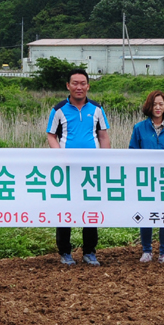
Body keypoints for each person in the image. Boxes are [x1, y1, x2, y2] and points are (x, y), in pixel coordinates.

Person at [46, 68, 110, 266]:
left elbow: (103, 136)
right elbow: (51, 135)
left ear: (88, 86)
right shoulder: (58, 110)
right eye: (75, 83)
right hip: (67, 169)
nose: (79, 87)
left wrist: (105, 160)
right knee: (65, 208)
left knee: (90, 208)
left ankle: (89, 251)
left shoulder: (97, 109)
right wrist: (60, 155)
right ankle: (65, 252)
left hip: (91, 169)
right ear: (68, 86)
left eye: (83, 83)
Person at [129, 90, 164, 264]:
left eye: (161, 104)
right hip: (146, 177)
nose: (158, 107)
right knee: (147, 212)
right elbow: (132, 152)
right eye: (154, 104)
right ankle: (146, 251)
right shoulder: (139, 128)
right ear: (149, 106)